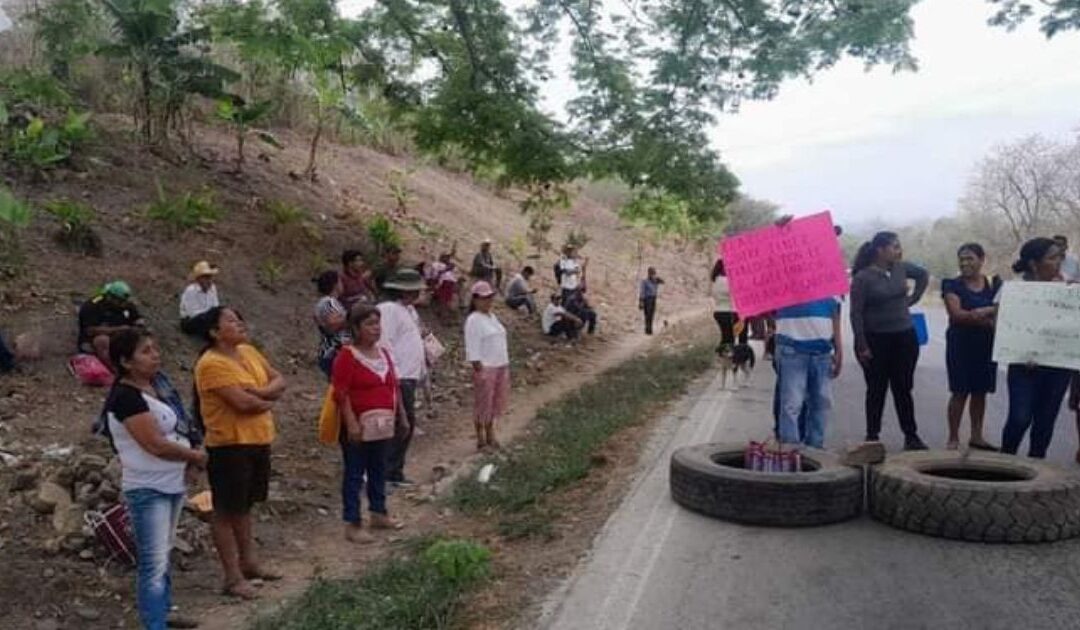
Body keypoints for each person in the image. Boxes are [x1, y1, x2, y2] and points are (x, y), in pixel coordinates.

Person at [103, 329, 205, 630]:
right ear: (125, 361)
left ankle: (164, 611)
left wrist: (191, 457)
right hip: (149, 487)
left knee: (164, 550)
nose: (155, 355)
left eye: (155, 348)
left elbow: (180, 429)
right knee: (153, 561)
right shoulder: (126, 398)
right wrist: (195, 458)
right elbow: (155, 444)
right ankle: (154, 623)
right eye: (146, 351)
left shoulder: (158, 386)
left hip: (171, 482)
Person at [194, 307, 286, 600]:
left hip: (257, 439)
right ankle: (231, 577)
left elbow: (279, 381)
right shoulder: (211, 364)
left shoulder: (248, 351)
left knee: (245, 505)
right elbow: (242, 404)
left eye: (239, 319)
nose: (240, 324)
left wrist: (257, 393)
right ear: (214, 332)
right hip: (229, 444)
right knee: (225, 509)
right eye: (231, 321)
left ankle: (249, 563)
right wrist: (265, 396)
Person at [850, 231, 930, 450]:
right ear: (880, 250)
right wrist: (861, 344)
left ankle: (911, 436)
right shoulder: (863, 278)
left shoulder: (901, 268)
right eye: (894, 247)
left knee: (903, 388)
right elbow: (856, 314)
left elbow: (924, 275)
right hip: (876, 340)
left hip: (904, 337)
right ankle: (872, 435)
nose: (898, 251)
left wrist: (913, 299)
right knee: (876, 389)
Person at [332, 304, 405, 543]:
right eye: (369, 324)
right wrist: (351, 423)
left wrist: (401, 415)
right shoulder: (347, 356)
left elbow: (393, 387)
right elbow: (341, 393)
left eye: (377, 323)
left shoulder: (383, 354)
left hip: (382, 424)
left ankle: (378, 512)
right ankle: (352, 523)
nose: (376, 329)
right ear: (356, 328)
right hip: (359, 426)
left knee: (378, 468)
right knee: (355, 473)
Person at [1000, 237, 1074, 459]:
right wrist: (1021, 350)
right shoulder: (1016, 291)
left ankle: (1037, 468)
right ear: (1034, 264)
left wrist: (1069, 295)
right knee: (1020, 417)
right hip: (1025, 367)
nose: (1058, 262)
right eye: (1052, 258)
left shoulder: (1068, 288)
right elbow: (1001, 325)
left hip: (1058, 367)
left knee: (1045, 421)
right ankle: (1005, 461)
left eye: (1060, 257)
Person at [941, 243, 1001, 451]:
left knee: (980, 392)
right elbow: (956, 315)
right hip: (960, 344)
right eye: (962, 259)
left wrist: (978, 314)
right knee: (959, 391)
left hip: (986, 345)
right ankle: (953, 437)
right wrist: (987, 312)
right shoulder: (951, 284)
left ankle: (976, 436)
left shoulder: (994, 284)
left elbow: (1002, 312)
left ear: (982, 260)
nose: (965, 263)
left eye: (970, 259)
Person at [377, 269, 427, 486]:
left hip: (409, 375)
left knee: (404, 425)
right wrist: (393, 373)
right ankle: (387, 472)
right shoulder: (388, 310)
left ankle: (394, 471)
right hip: (399, 375)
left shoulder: (409, 311)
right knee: (400, 425)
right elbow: (384, 342)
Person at [774, 297, 843, 449]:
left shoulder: (830, 282)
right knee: (792, 404)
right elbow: (768, 310)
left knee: (821, 403)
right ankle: (790, 451)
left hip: (822, 351)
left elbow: (835, 315)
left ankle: (815, 448)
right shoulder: (782, 280)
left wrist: (838, 349)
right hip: (791, 348)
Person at [465, 281, 510, 451]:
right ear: (476, 300)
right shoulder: (473, 320)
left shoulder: (492, 317)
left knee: (495, 402)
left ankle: (491, 433)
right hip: (486, 367)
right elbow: (472, 347)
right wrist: (479, 368)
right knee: (482, 403)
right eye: (484, 298)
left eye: (489, 298)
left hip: (500, 364)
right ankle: (480, 438)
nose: (487, 301)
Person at [78, 281, 146, 366]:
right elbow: (90, 330)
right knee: (102, 340)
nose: (123, 304)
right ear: (111, 298)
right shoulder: (93, 306)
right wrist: (118, 329)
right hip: (95, 339)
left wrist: (139, 325)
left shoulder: (126, 304)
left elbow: (137, 318)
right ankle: (113, 369)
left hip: (120, 336)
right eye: (120, 302)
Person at [314, 270, 350, 379]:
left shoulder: (326, 302)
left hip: (331, 351)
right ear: (335, 285)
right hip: (334, 351)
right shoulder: (329, 302)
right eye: (340, 282)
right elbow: (332, 324)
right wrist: (352, 317)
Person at [711, 260, 747, 348]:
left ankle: (722, 356)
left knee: (725, 338)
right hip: (731, 312)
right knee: (733, 338)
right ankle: (738, 356)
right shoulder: (728, 281)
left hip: (718, 312)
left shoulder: (715, 281)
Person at [179, 261, 221, 337]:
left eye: (210, 277)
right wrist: (210, 314)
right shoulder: (191, 291)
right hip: (191, 321)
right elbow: (192, 313)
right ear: (199, 279)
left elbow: (216, 305)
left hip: (207, 318)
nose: (209, 281)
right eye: (206, 278)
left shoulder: (212, 288)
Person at [639, 267, 664, 335]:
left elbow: (663, 282)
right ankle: (647, 328)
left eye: (654, 274)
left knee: (652, 314)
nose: (653, 275)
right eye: (652, 274)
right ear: (649, 274)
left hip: (653, 299)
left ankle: (650, 328)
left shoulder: (655, 281)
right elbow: (642, 291)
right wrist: (641, 301)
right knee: (647, 314)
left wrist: (658, 279)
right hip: (647, 299)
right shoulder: (645, 281)